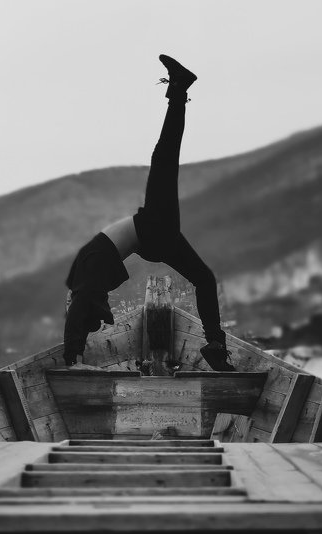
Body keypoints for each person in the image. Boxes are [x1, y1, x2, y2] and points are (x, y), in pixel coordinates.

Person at [63, 54, 235, 372]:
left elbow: (78, 305)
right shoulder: (85, 274)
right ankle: (180, 88)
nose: (73, 305)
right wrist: (72, 360)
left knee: (204, 278)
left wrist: (74, 346)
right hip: (151, 230)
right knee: (164, 156)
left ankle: (216, 345)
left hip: (151, 237)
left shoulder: (86, 274)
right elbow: (79, 305)